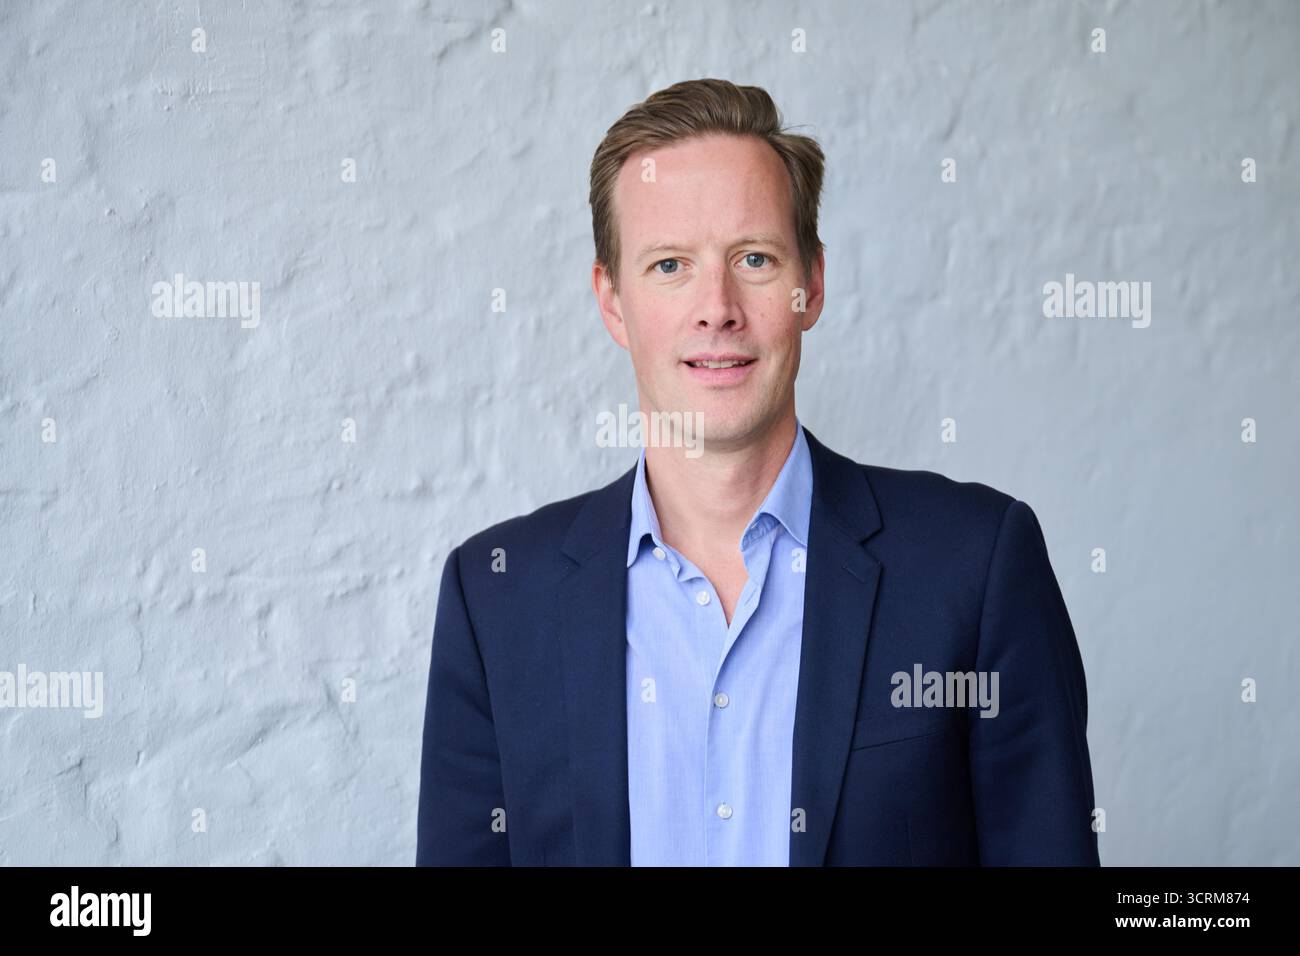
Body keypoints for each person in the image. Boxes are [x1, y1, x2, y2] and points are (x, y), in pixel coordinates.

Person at [416, 78, 1100, 866]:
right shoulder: (494, 595)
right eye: (670, 265)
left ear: (810, 282)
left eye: (754, 258)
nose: (718, 306)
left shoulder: (976, 565)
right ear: (611, 302)